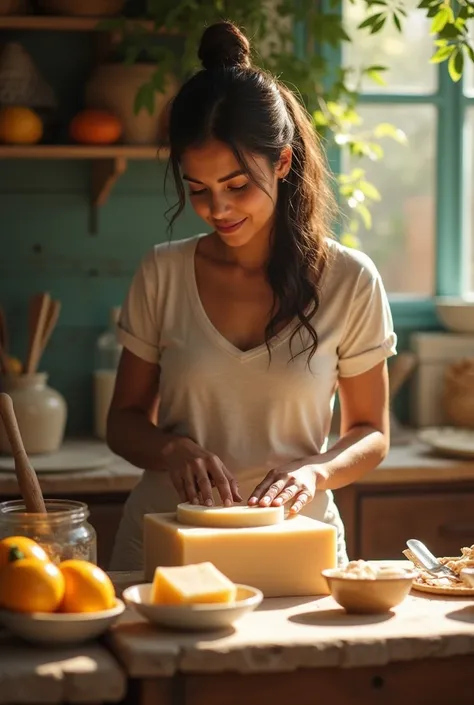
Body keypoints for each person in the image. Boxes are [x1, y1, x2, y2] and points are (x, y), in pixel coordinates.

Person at [107, 20, 397, 571]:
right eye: (198, 190)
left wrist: (315, 471)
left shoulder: (350, 280)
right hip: (168, 544)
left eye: (237, 186)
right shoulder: (163, 273)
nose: (218, 209)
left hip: (295, 546)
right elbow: (122, 420)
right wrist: (172, 450)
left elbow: (372, 432)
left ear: (283, 162)